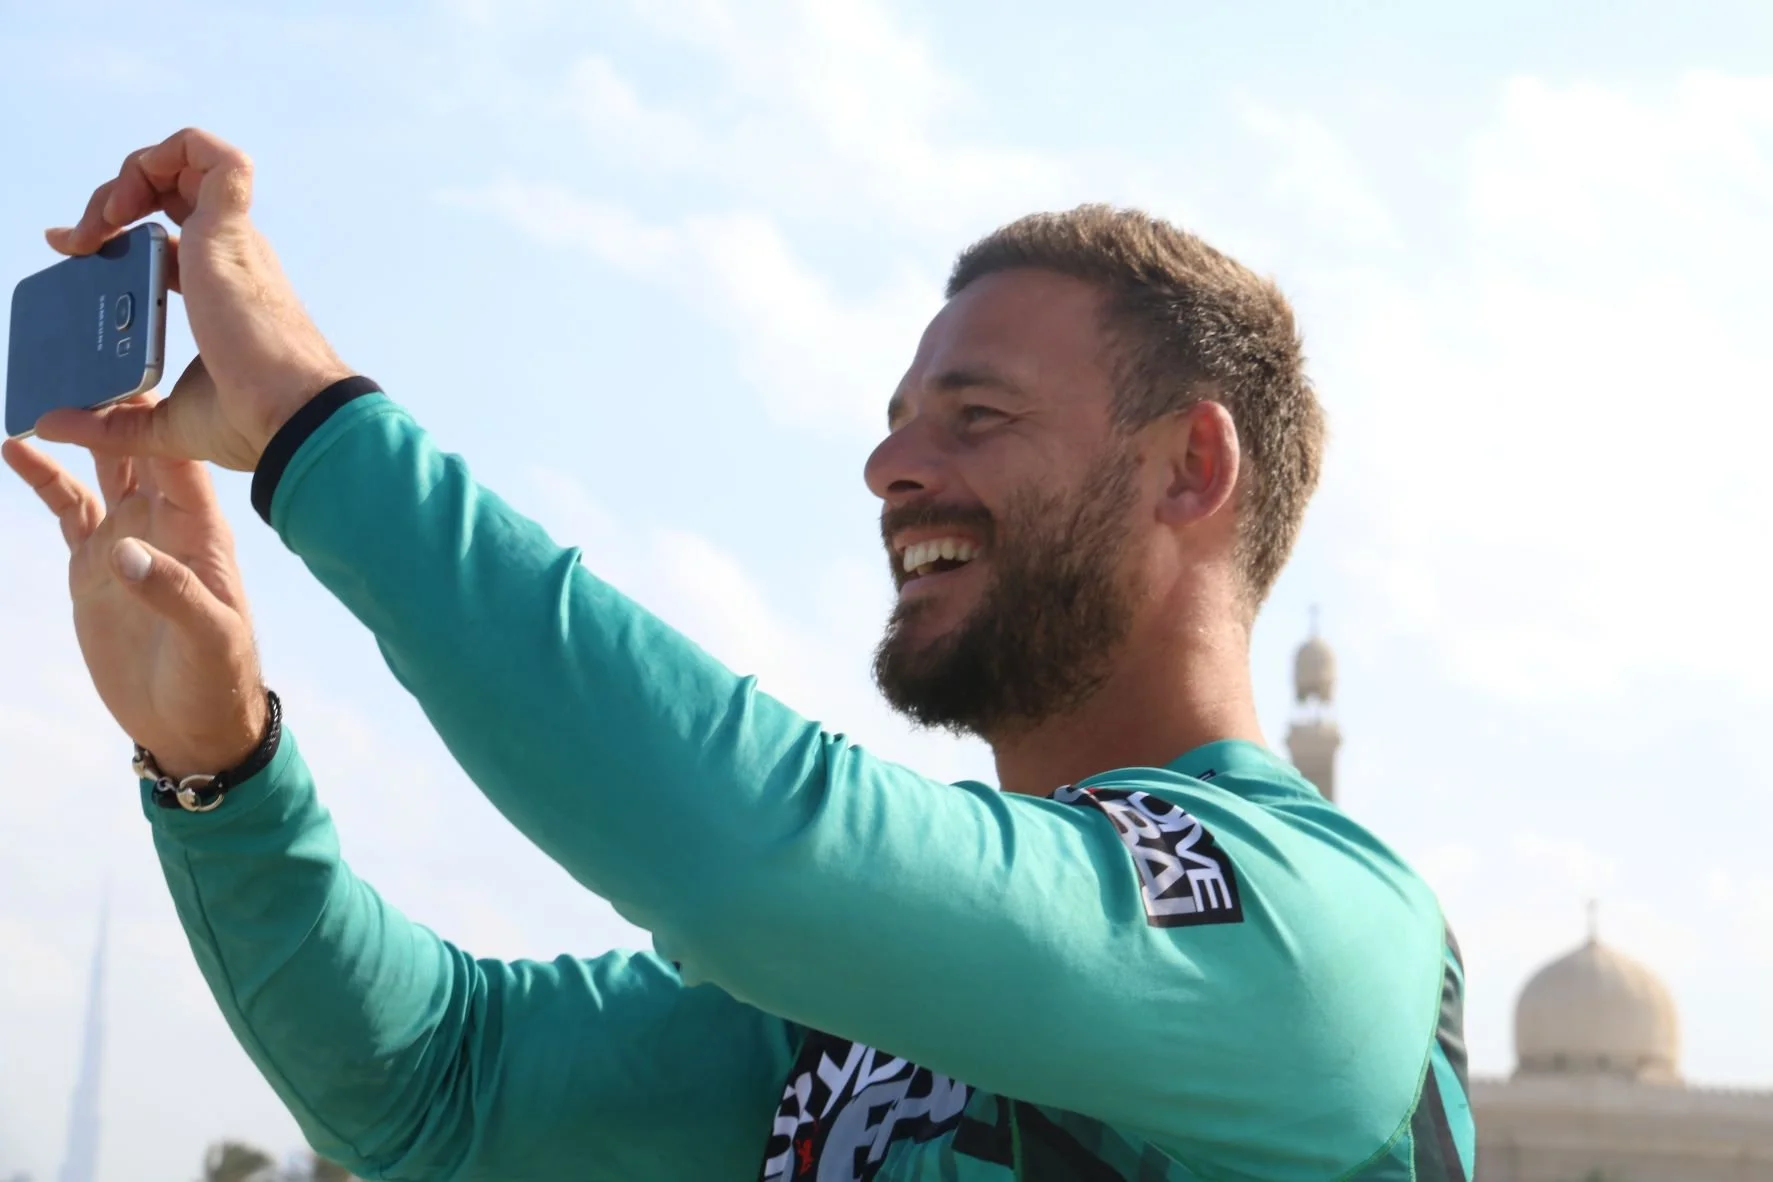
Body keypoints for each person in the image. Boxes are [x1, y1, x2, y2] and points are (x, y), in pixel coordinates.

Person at [5, 128, 1472, 1181]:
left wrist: (313, 425)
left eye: (976, 416)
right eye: (898, 423)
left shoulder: (1323, 931)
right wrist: (221, 765)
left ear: (1190, 468)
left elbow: (754, 854)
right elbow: (434, 1087)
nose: (889, 467)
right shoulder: (865, 995)